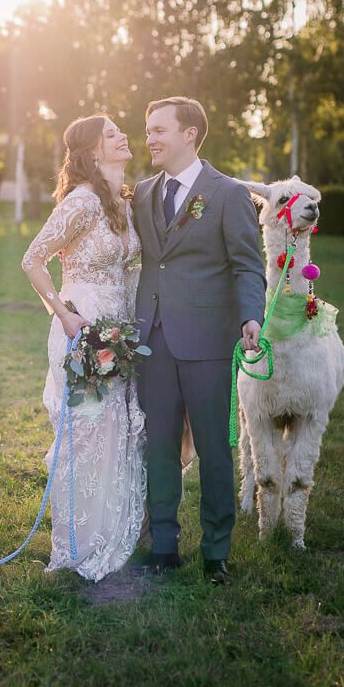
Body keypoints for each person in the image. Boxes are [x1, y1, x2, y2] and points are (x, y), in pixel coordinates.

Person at [133, 97, 266, 584]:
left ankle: (216, 551)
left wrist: (252, 316)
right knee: (159, 444)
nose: (150, 139)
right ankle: (164, 545)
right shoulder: (143, 193)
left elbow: (248, 265)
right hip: (153, 338)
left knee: (213, 447)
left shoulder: (229, 194)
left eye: (159, 130)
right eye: (148, 130)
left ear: (190, 134)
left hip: (209, 340)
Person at [21, 114, 146, 581]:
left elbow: (130, 268)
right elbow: (33, 259)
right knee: (87, 436)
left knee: (117, 434)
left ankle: (112, 531)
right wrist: (64, 313)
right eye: (112, 133)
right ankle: (75, 546)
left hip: (121, 329)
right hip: (83, 329)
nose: (123, 135)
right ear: (94, 151)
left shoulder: (122, 200)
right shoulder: (83, 201)